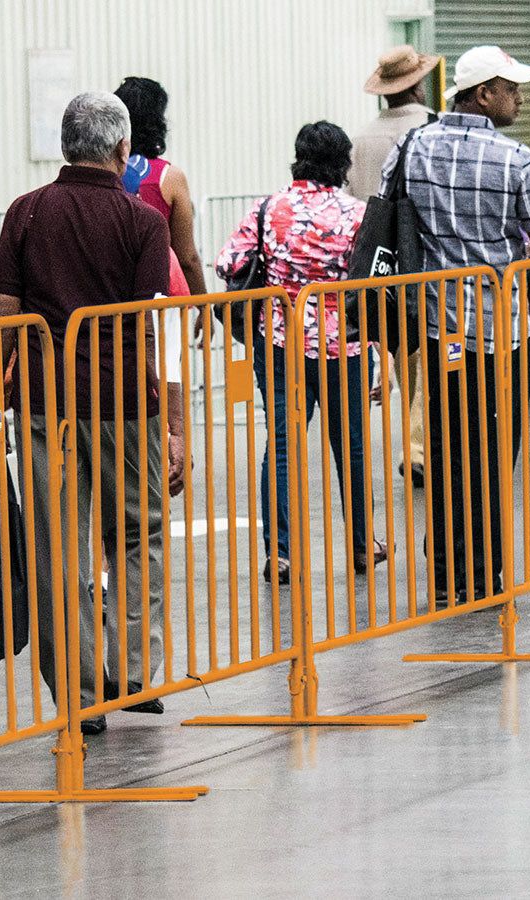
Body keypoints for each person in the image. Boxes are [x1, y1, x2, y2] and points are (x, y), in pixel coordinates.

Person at [0, 91, 184, 736]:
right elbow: (152, 324)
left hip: (45, 408)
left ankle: (76, 686)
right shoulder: (141, 224)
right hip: (126, 407)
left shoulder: (25, 212)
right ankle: (129, 674)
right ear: (122, 151)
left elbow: (3, 320)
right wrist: (172, 422)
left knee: (57, 547)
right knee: (139, 532)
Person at [381, 45, 530, 605]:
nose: (521, 97)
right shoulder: (517, 159)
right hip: (499, 329)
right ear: (482, 94)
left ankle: (446, 575)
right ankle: (486, 574)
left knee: (445, 448)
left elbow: (386, 213)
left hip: (437, 330)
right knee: (493, 449)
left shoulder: (410, 147)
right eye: (511, 88)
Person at [217, 121, 383, 584]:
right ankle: (363, 544)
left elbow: (228, 261)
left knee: (283, 445)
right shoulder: (356, 213)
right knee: (350, 446)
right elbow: (371, 279)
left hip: (279, 340)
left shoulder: (269, 208)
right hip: (344, 343)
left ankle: (281, 553)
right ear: (343, 162)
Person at [348, 45, 441, 489]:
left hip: (375, 260)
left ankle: (416, 439)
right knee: (428, 354)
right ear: (418, 82)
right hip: (421, 254)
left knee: (404, 354)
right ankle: (419, 446)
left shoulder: (361, 136)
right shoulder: (429, 128)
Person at [114, 76, 210, 343]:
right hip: (159, 301)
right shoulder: (169, 177)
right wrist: (204, 306)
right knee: (164, 378)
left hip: (109, 298)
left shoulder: (104, 173)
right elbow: (186, 255)